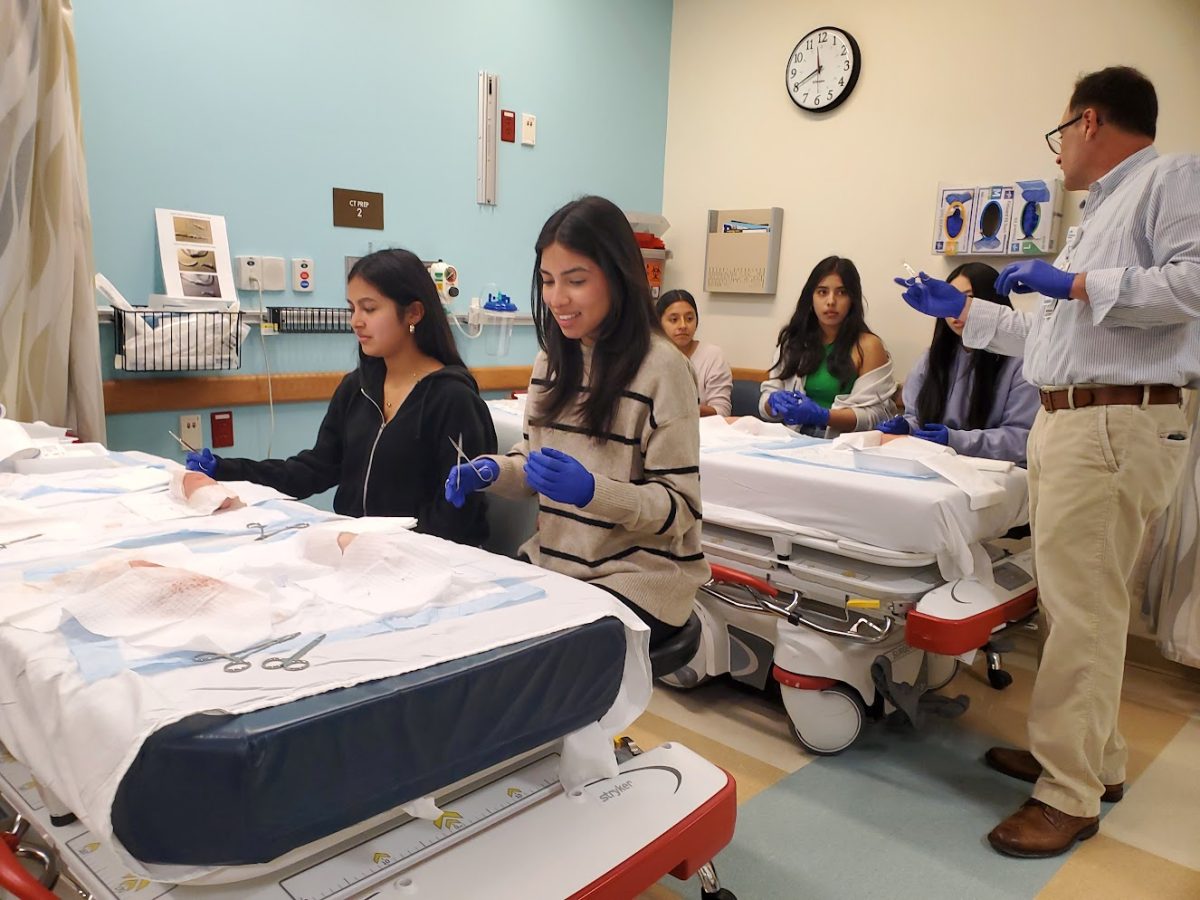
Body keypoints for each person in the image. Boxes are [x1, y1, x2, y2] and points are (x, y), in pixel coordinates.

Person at [895, 66, 1199, 858]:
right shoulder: (1098, 214)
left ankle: (1069, 795)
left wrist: (1078, 280)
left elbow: (1195, 282)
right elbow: (1055, 342)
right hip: (1079, 417)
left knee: (1086, 612)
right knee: (1075, 606)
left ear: (1089, 122)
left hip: (1112, 423)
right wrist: (965, 311)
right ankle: (1092, 759)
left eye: (1060, 130)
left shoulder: (1169, 179)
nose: (1059, 148)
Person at [443, 195, 709, 647]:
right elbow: (532, 465)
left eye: (576, 281)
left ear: (619, 278)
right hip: (557, 562)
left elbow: (680, 510)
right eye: (547, 281)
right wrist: (493, 470)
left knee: (531, 659)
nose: (556, 299)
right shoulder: (552, 360)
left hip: (637, 577)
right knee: (466, 627)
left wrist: (593, 493)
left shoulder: (663, 367)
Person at [186, 248, 496, 546]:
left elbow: (458, 517)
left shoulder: (453, 399)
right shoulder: (357, 388)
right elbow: (314, 470)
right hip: (354, 551)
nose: (355, 321)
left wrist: (387, 548)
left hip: (425, 561)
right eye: (352, 308)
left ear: (413, 313)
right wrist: (227, 471)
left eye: (370, 308)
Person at [877, 262, 1040, 464]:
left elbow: (1022, 440)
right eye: (949, 298)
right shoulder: (931, 359)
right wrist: (907, 427)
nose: (954, 309)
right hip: (937, 464)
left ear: (990, 303)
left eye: (967, 299)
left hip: (997, 472)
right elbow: (917, 417)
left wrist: (956, 440)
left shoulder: (1020, 362)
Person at [759, 255, 897, 436]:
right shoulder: (793, 341)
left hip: (842, 445)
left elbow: (876, 416)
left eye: (841, 292)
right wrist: (772, 403)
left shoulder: (869, 346)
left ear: (852, 300)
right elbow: (765, 407)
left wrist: (824, 416)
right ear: (811, 298)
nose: (831, 301)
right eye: (822, 292)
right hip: (792, 439)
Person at [656, 288, 733, 417]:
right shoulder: (650, 357)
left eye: (689, 318)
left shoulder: (713, 356)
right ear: (658, 323)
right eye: (674, 320)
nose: (683, 325)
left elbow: (722, 411)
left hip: (702, 433)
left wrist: (683, 409)